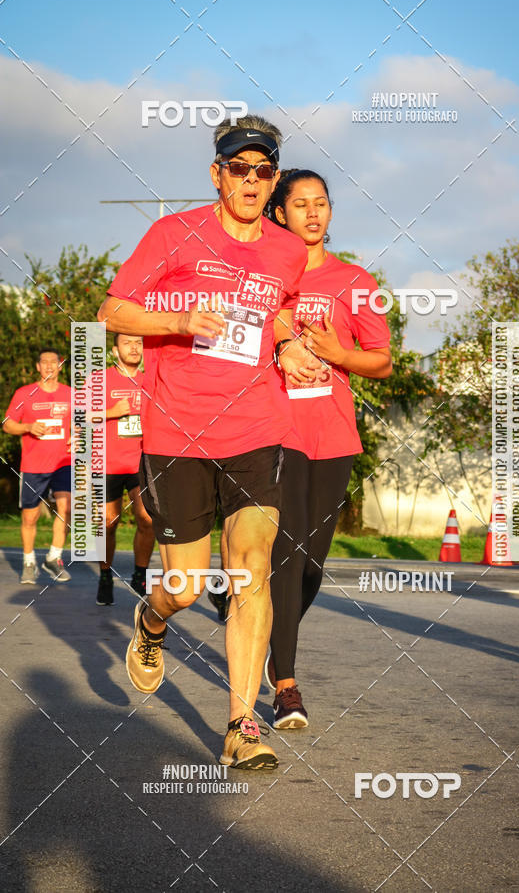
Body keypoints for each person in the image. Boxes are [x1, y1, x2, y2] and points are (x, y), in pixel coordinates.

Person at [97, 115, 315, 770]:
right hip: (178, 430)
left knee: (251, 567)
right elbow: (113, 310)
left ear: (273, 177)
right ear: (217, 172)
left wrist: (290, 345)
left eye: (264, 169)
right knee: (187, 586)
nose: (251, 180)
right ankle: (153, 622)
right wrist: (180, 318)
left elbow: (280, 308)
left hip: (258, 426)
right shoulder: (172, 233)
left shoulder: (285, 249)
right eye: (239, 168)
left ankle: (242, 727)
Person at [263, 169, 392, 728]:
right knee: (287, 556)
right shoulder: (263, 275)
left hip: (333, 435)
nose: (313, 213)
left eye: (321, 203)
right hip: (273, 431)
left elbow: (382, 362)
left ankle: (267, 626)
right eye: (300, 204)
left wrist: (339, 352)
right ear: (280, 213)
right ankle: (285, 682)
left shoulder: (355, 279)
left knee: (312, 564)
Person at [96, 333, 155, 605]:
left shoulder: (151, 379)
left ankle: (140, 574)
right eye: (127, 343)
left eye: (139, 343)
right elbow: (79, 415)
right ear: (115, 349)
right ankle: (105, 575)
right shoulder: (101, 379)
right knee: (108, 523)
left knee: (148, 518)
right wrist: (111, 412)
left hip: (142, 461)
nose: (134, 347)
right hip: (108, 463)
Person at [3, 348, 72, 584]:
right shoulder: (25, 393)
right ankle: (29, 562)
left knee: (67, 509)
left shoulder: (71, 394)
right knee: (29, 518)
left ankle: (54, 558)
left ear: (60, 366)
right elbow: (7, 424)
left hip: (63, 463)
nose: (50, 366)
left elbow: (83, 423)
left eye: (54, 362)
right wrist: (28, 427)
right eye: (45, 362)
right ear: (38, 367)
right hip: (33, 466)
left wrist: (79, 436)